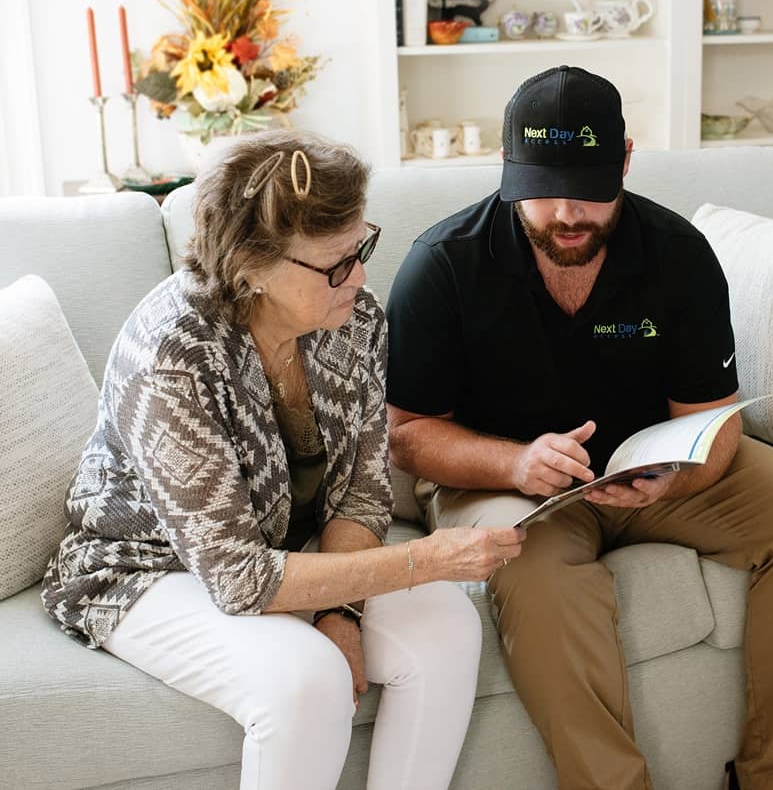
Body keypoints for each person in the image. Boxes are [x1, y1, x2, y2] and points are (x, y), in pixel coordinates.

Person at [386, 66, 773, 790]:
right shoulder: (443, 266)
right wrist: (514, 464)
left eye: (590, 187)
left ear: (626, 161)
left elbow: (711, 417)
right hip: (507, 481)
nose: (567, 213)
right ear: (508, 170)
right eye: (543, 190)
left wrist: (679, 473)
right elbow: (410, 432)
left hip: (655, 469)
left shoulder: (678, 255)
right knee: (528, 567)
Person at [41, 130, 524, 790]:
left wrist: (344, 612)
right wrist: (428, 559)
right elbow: (237, 579)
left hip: (285, 554)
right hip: (148, 570)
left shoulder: (354, 318)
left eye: (361, 248)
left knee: (446, 625)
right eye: (335, 263)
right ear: (252, 267)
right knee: (306, 682)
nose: (357, 275)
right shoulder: (173, 359)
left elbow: (361, 492)